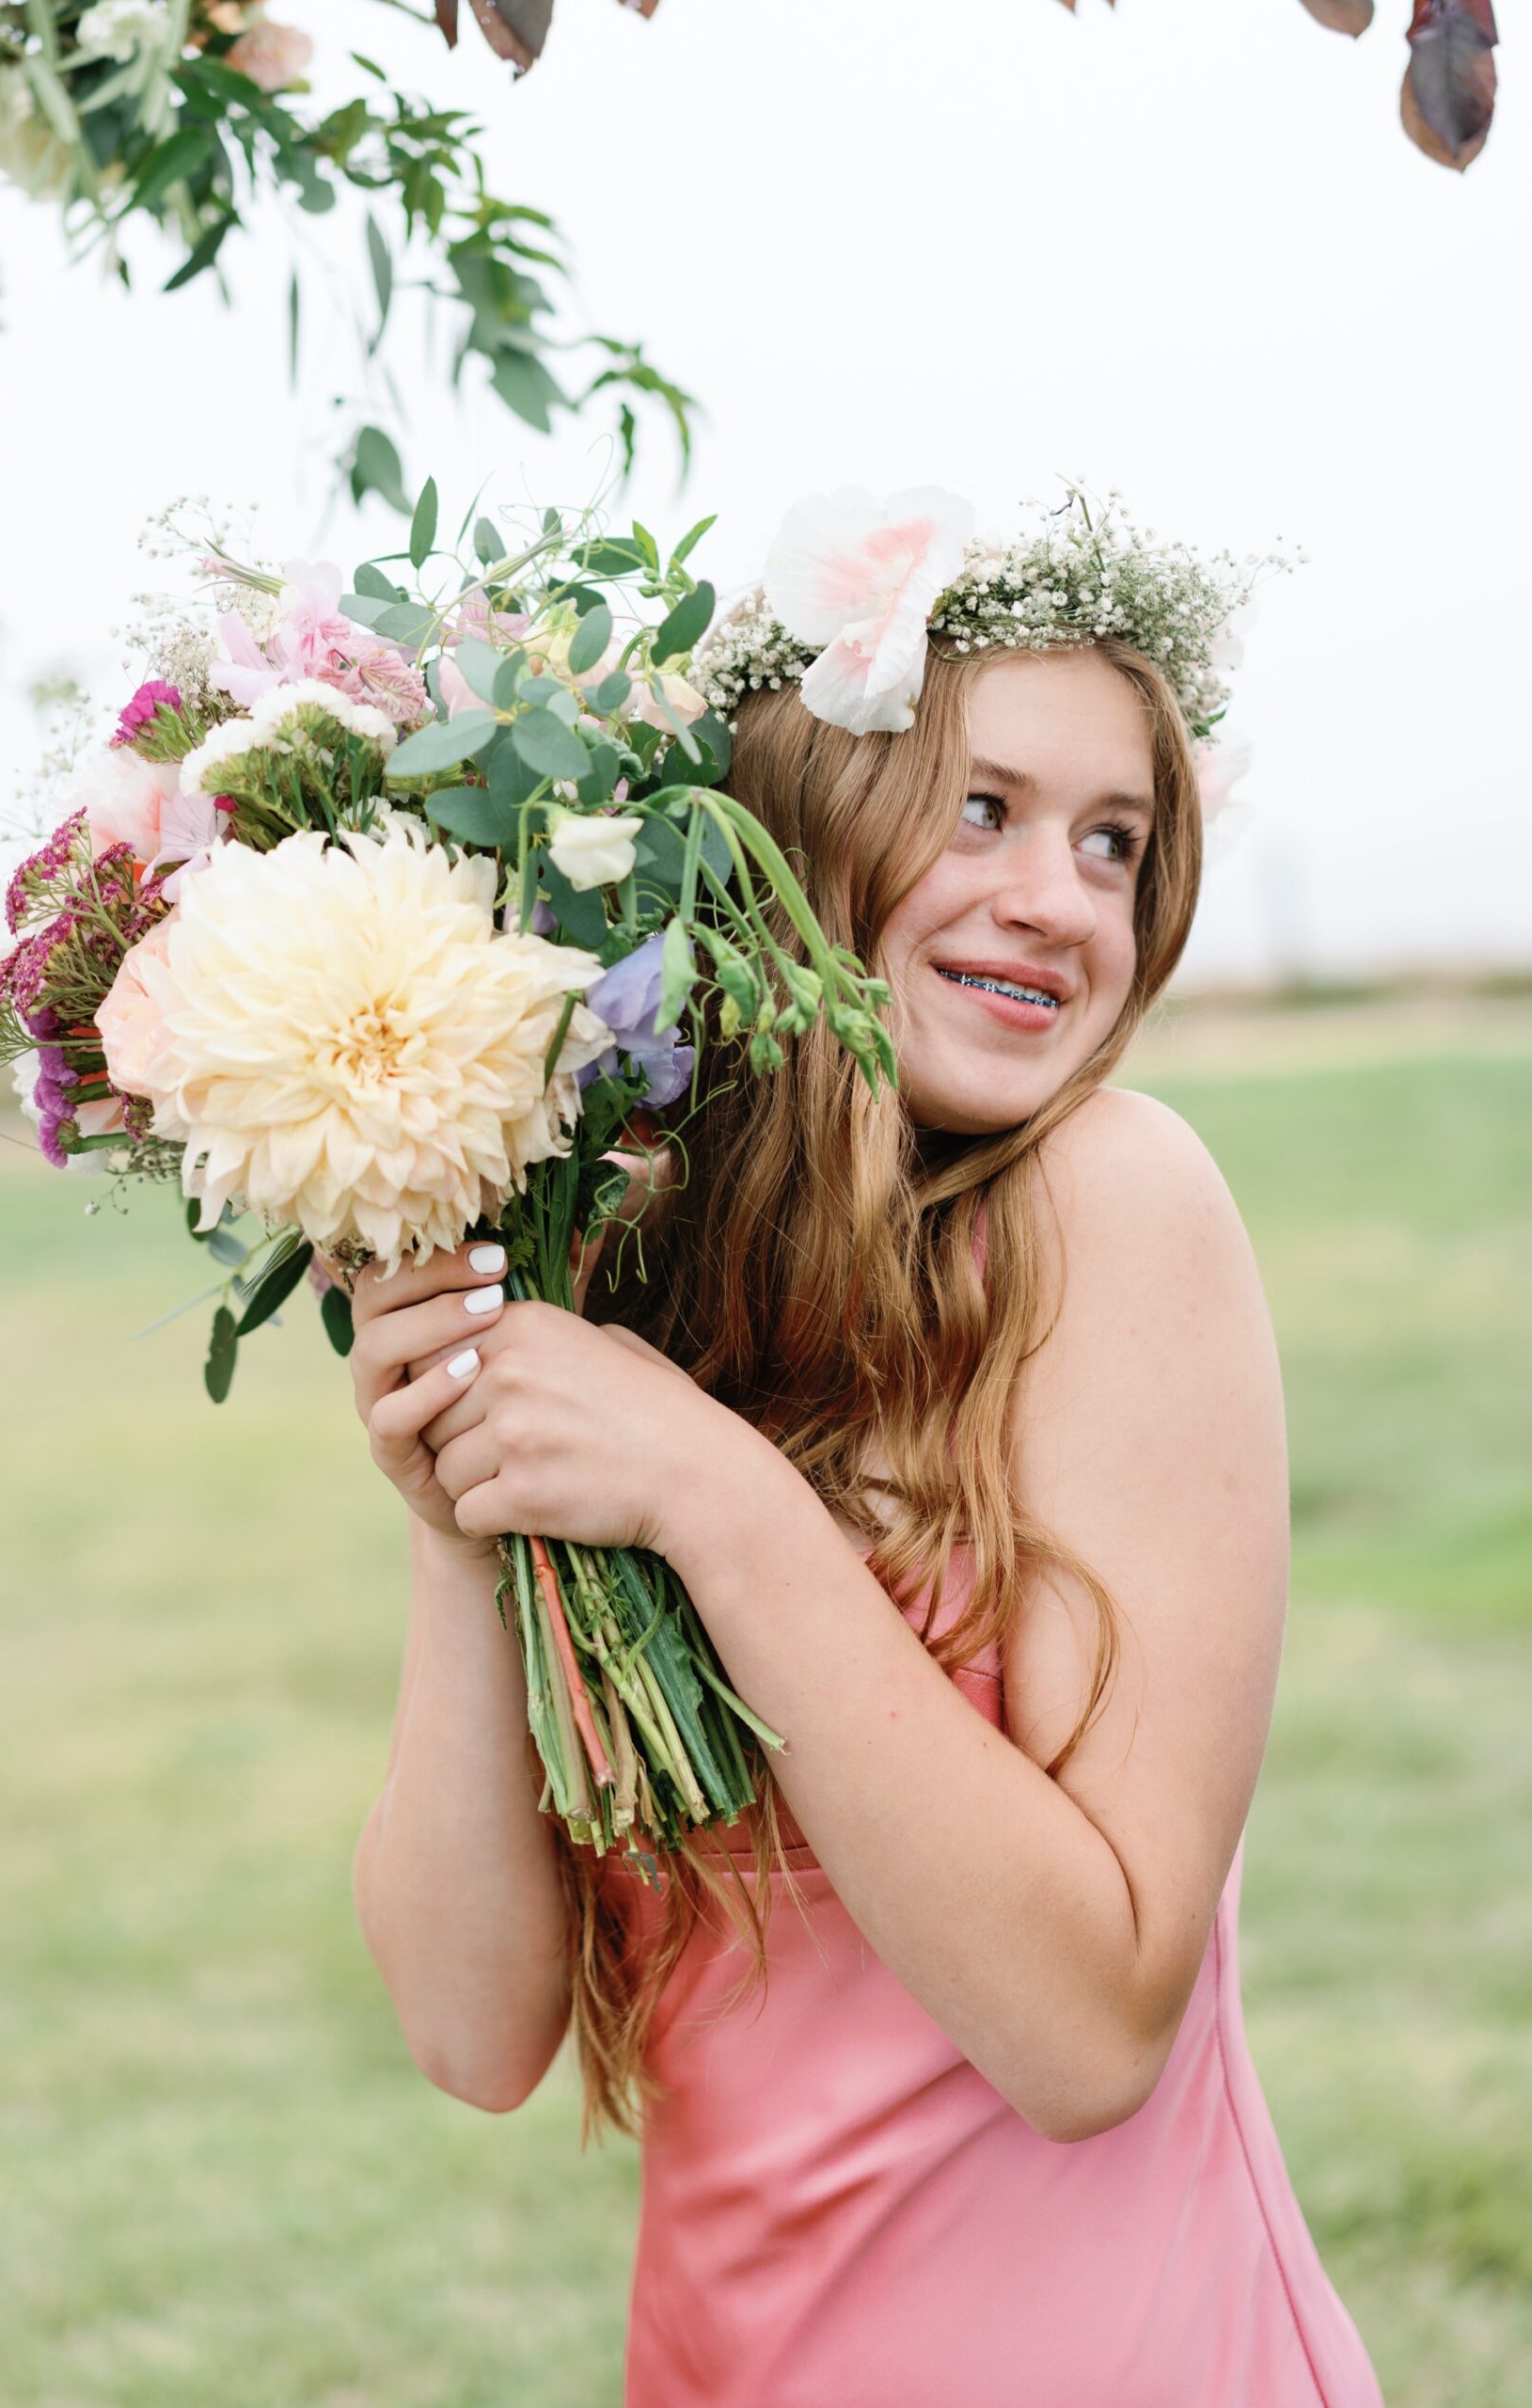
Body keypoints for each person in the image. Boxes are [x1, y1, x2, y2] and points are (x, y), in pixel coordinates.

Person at [345, 488, 1385, 2406]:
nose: (1062, 897)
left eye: (1113, 843)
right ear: (806, 818)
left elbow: (1086, 2030)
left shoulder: (1109, 1206)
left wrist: (707, 1492)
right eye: (980, 808)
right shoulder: (647, 1288)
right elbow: (471, 2028)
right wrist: (457, 1525)